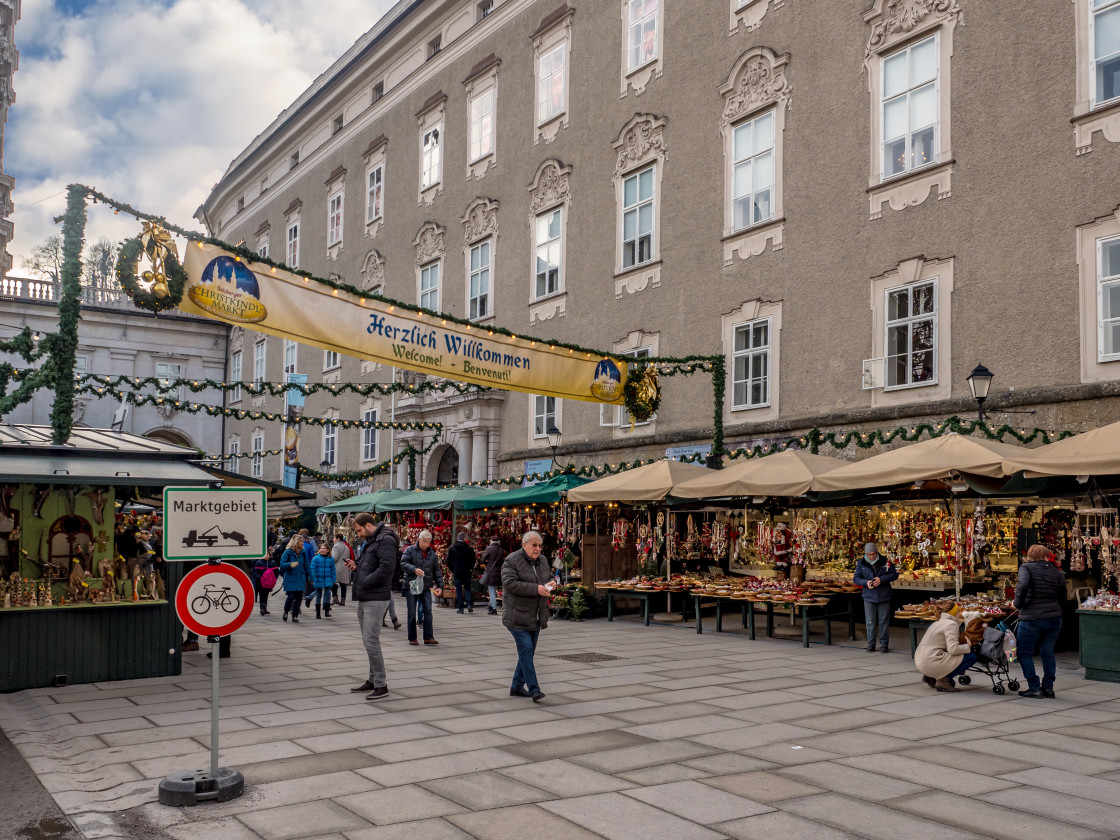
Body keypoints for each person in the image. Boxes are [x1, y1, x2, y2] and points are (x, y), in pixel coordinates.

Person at [349, 513, 397, 701]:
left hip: (375, 596)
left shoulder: (385, 540)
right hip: (366, 594)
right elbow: (367, 563)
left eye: (359, 530)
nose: (358, 535)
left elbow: (386, 569)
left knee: (371, 640)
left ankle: (381, 684)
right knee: (368, 640)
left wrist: (365, 582)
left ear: (368, 525)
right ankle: (372, 679)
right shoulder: (373, 539)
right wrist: (356, 565)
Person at [502, 530, 553, 702]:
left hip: (536, 615)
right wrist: (536, 588)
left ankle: (517, 686)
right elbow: (509, 584)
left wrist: (553, 582)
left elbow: (549, 576)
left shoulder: (543, 560)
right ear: (524, 545)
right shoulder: (511, 560)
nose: (538, 549)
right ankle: (534, 689)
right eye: (534, 545)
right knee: (526, 651)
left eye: (540, 545)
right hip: (517, 615)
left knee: (528, 653)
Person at [1015, 543, 1067, 699]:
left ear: (1029, 557)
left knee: (1024, 653)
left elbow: (1022, 585)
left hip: (1032, 617)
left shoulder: (1026, 568)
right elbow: (1063, 596)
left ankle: (1034, 687)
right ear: (1046, 556)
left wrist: (1017, 604)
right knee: (1047, 652)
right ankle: (1048, 688)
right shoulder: (1058, 573)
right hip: (1054, 618)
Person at [914, 600, 976, 692]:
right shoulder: (951, 624)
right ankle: (943, 681)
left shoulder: (937, 623)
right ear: (954, 613)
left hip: (920, 661)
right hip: (930, 662)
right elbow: (953, 649)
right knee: (972, 657)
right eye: (959, 612)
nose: (960, 615)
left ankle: (930, 676)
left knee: (957, 656)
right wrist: (968, 646)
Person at [853, 541, 899, 653]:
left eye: (873, 554)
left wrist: (881, 580)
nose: (872, 556)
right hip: (869, 596)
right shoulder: (861, 563)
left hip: (884, 595)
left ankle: (884, 644)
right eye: (869, 555)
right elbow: (856, 578)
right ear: (866, 554)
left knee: (883, 621)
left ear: (876, 552)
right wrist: (866, 582)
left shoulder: (885, 561)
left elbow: (894, 574)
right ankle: (871, 644)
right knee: (870, 621)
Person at [401, 529, 442, 646]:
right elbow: (403, 563)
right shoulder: (409, 550)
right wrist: (414, 569)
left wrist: (440, 586)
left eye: (428, 542)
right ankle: (412, 638)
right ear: (419, 539)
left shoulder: (432, 554)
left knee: (428, 611)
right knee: (412, 613)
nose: (426, 544)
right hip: (411, 586)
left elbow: (437, 571)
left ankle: (428, 637)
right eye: (424, 541)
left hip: (426, 586)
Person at [279, 535, 309, 623]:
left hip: (300, 577)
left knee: (299, 598)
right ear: (296, 542)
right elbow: (282, 564)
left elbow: (307, 566)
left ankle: (295, 615)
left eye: (303, 541)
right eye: (301, 541)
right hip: (291, 577)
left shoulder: (303, 552)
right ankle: (286, 611)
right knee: (291, 597)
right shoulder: (288, 552)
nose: (303, 543)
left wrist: (311, 577)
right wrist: (290, 564)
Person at [447, 532, 476, 614]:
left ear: (457, 538)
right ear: (464, 539)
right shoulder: (469, 549)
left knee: (458, 589)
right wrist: (470, 568)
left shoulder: (452, 548)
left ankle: (461, 608)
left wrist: (453, 569)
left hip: (457, 571)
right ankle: (469, 604)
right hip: (466, 571)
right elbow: (473, 561)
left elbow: (448, 561)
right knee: (467, 588)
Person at [479, 536, 505, 615]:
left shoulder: (489, 549)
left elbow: (482, 559)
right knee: (494, 589)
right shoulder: (501, 550)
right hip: (498, 571)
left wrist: (487, 562)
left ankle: (493, 608)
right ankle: (490, 606)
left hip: (490, 571)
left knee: (491, 591)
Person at [309, 542, 336, 619]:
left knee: (327, 594)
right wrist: (312, 578)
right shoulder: (316, 558)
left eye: (324, 548)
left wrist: (333, 580)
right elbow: (312, 569)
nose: (322, 550)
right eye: (321, 548)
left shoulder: (331, 559)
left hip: (328, 579)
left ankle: (326, 611)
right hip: (318, 579)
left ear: (328, 550)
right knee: (319, 595)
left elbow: (333, 570)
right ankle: (318, 612)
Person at [251, 552, 279, 616]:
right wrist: (260, 578)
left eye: (267, 554)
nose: (266, 556)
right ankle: (262, 608)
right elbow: (255, 572)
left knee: (266, 594)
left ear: (270, 555)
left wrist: (274, 578)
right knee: (262, 594)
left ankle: (264, 608)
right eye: (265, 554)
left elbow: (276, 572)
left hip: (269, 583)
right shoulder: (259, 562)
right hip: (261, 583)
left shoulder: (273, 563)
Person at [331, 534, 352, 606]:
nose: (333, 539)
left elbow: (334, 557)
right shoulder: (346, 547)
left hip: (337, 567)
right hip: (344, 567)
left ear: (338, 539)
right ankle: (343, 600)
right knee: (343, 584)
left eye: (334, 538)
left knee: (332, 582)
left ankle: (335, 598)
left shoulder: (336, 546)